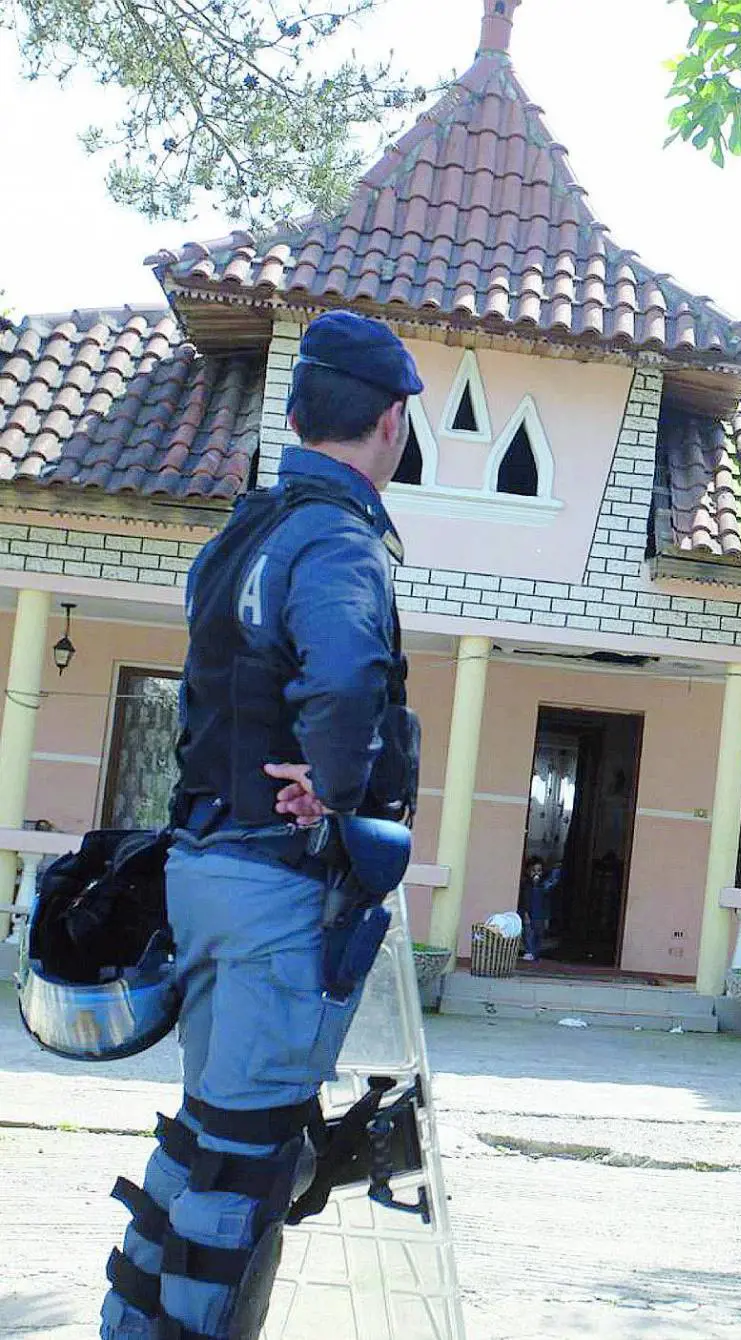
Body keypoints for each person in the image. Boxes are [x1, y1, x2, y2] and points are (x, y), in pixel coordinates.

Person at [99, 310, 424, 1340]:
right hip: (274, 882)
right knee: (243, 1158)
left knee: (205, 1136)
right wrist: (336, 783)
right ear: (392, 420)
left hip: (205, 866)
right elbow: (346, 674)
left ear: (292, 418)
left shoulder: (241, 532)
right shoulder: (336, 537)